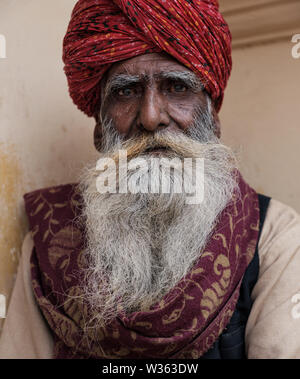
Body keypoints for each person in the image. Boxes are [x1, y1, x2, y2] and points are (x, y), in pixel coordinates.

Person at [0, 0, 300, 359]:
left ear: (213, 119)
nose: (151, 116)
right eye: (126, 91)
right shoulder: (50, 241)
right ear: (99, 127)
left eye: (177, 87)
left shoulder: (275, 237)